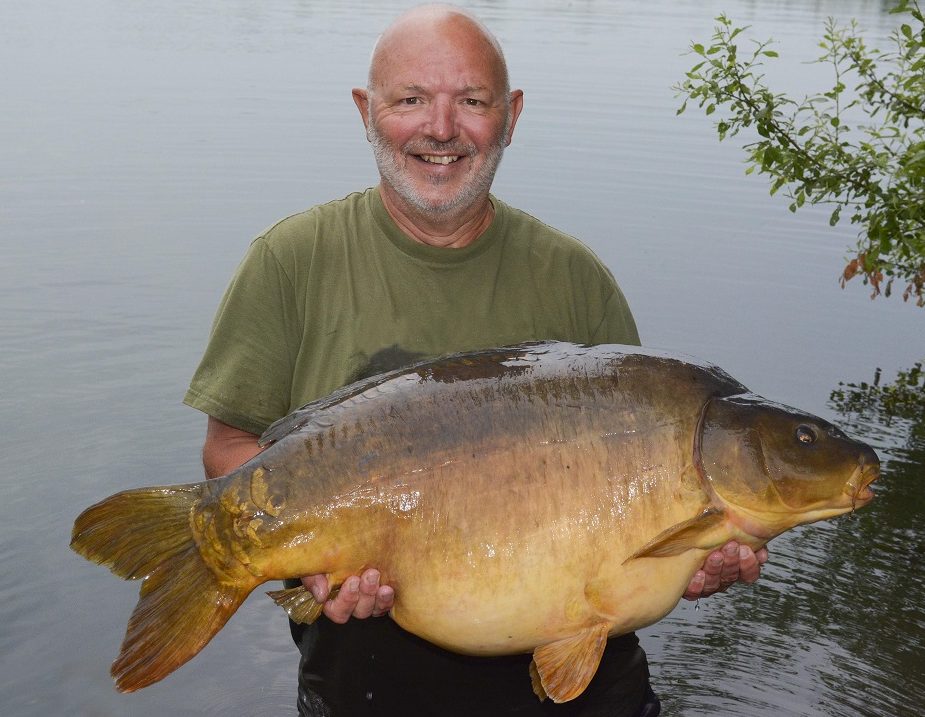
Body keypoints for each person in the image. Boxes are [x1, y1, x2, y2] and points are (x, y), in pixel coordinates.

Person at [184, 5, 767, 716]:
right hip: (365, 670)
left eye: (470, 101)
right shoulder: (291, 261)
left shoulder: (575, 278)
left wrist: (694, 562)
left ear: (511, 115)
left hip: (581, 678)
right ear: (365, 112)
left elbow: (647, 493)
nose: (439, 128)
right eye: (409, 100)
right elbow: (228, 448)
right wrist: (315, 565)